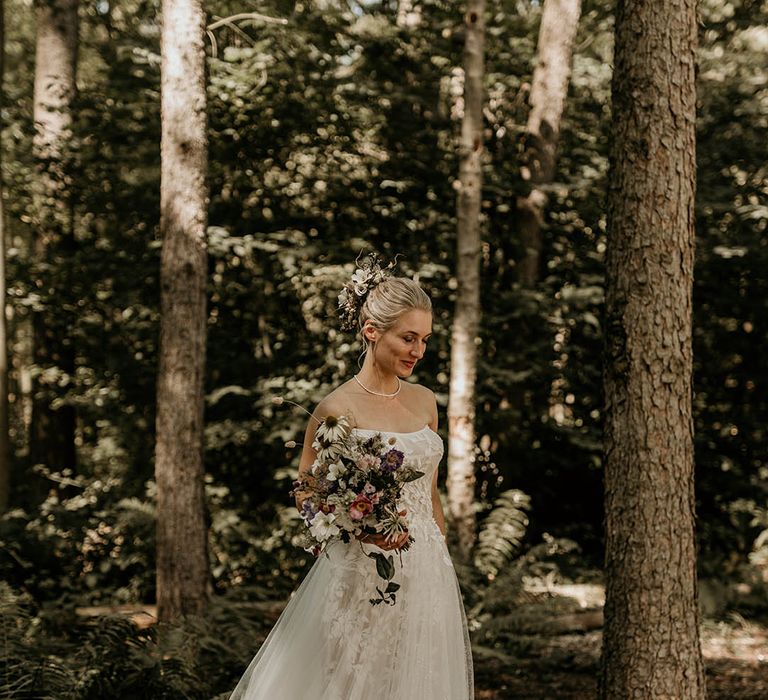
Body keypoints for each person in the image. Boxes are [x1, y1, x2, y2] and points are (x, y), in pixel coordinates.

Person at [228, 255, 474, 699]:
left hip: (426, 571)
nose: (418, 351)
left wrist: (441, 560)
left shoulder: (425, 402)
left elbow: (430, 493)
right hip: (360, 569)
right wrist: (360, 524)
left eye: (425, 340)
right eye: (408, 338)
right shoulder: (336, 409)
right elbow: (306, 490)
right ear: (371, 331)